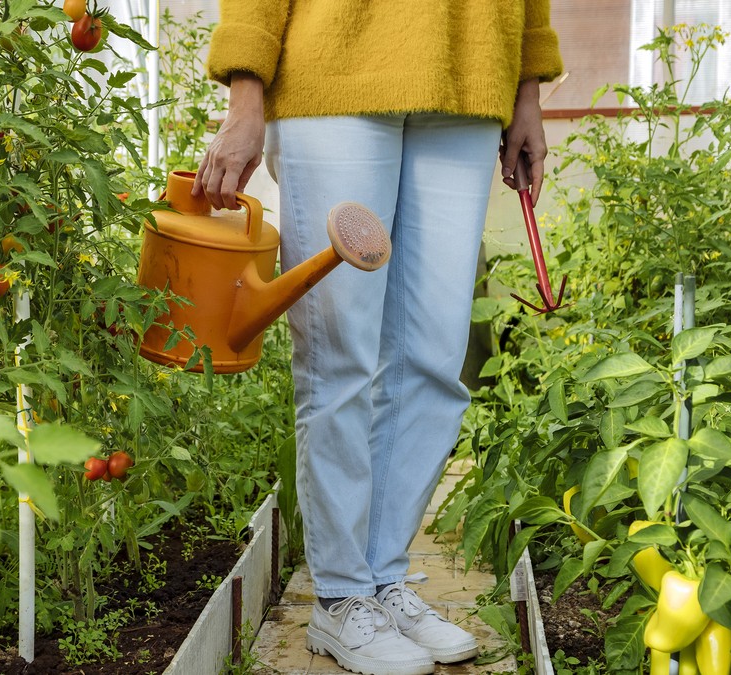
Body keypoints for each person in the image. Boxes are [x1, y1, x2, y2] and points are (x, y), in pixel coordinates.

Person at [193, 3, 563, 674]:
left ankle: (383, 578)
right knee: (343, 356)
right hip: (333, 72)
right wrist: (246, 95)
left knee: (433, 358)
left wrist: (526, 87)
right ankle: (339, 598)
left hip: (468, 72)